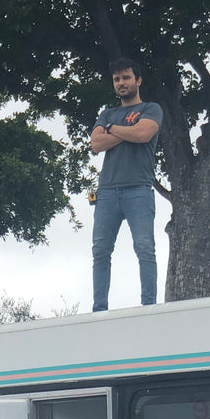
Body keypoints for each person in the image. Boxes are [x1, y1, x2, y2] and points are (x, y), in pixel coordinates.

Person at [89, 57, 163, 312]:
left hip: (138, 189)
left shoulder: (151, 109)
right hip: (107, 191)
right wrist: (126, 129)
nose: (121, 83)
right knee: (100, 251)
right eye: (117, 79)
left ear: (138, 80)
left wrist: (111, 130)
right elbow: (96, 144)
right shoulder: (107, 114)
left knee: (144, 248)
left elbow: (143, 135)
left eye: (126, 78)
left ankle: (148, 307)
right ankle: (99, 309)